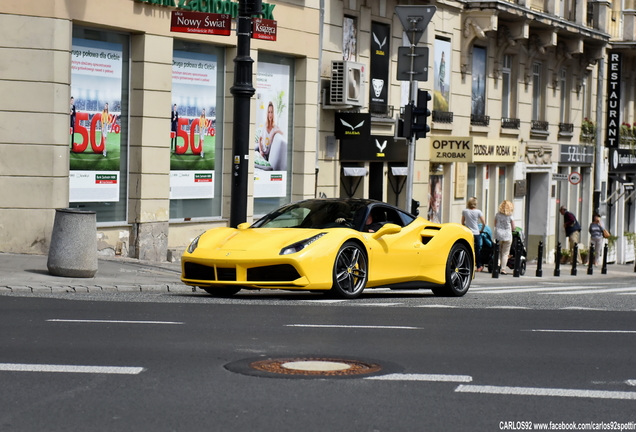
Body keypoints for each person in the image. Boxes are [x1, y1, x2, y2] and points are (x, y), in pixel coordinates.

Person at [462, 197, 487, 272]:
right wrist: (481, 230)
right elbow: (484, 223)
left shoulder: (465, 211)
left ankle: (467, 265)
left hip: (468, 232)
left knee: (467, 248)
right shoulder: (478, 212)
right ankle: (479, 266)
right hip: (476, 232)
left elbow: (462, 222)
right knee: (477, 250)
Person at [493, 200, 516, 274]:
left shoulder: (497, 215)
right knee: (505, 253)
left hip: (498, 235)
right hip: (507, 235)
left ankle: (497, 264)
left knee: (498, 251)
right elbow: (513, 227)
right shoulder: (510, 216)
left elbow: (495, 224)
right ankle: (503, 269)